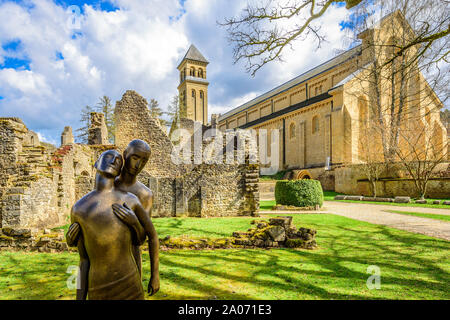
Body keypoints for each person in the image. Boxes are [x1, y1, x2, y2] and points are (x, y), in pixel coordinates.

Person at [67, 150, 159, 299]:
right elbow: (84, 260)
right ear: (96, 162)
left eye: (119, 161)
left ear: (119, 171)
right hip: (98, 287)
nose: (115, 160)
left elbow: (143, 239)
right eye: (110, 156)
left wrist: (135, 223)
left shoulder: (130, 200)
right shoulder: (79, 209)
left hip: (129, 282)